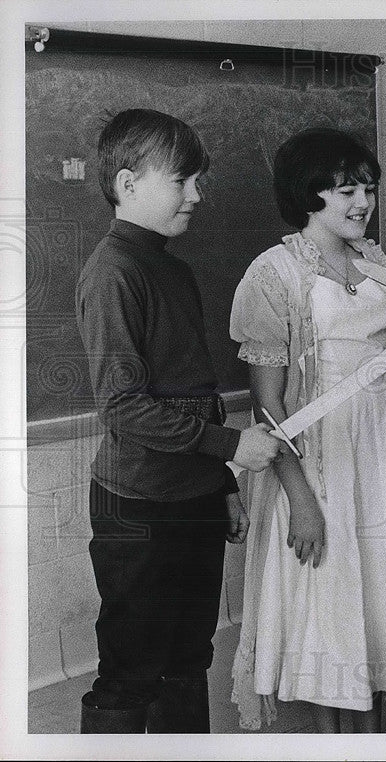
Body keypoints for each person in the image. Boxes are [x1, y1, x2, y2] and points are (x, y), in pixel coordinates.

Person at [229, 127, 386, 733]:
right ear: (307, 194)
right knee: (331, 597)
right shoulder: (273, 274)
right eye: (344, 190)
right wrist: (299, 497)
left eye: (368, 189)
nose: (361, 203)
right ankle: (334, 741)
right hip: (320, 458)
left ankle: (380, 734)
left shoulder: (377, 261)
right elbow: (268, 409)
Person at [76, 109, 283, 733]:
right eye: (182, 180)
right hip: (137, 503)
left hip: (193, 497)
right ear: (127, 183)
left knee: (189, 657)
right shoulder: (113, 271)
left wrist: (219, 484)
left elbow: (193, 392)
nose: (197, 195)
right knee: (132, 670)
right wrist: (230, 447)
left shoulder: (175, 267)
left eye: (198, 179)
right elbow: (123, 406)